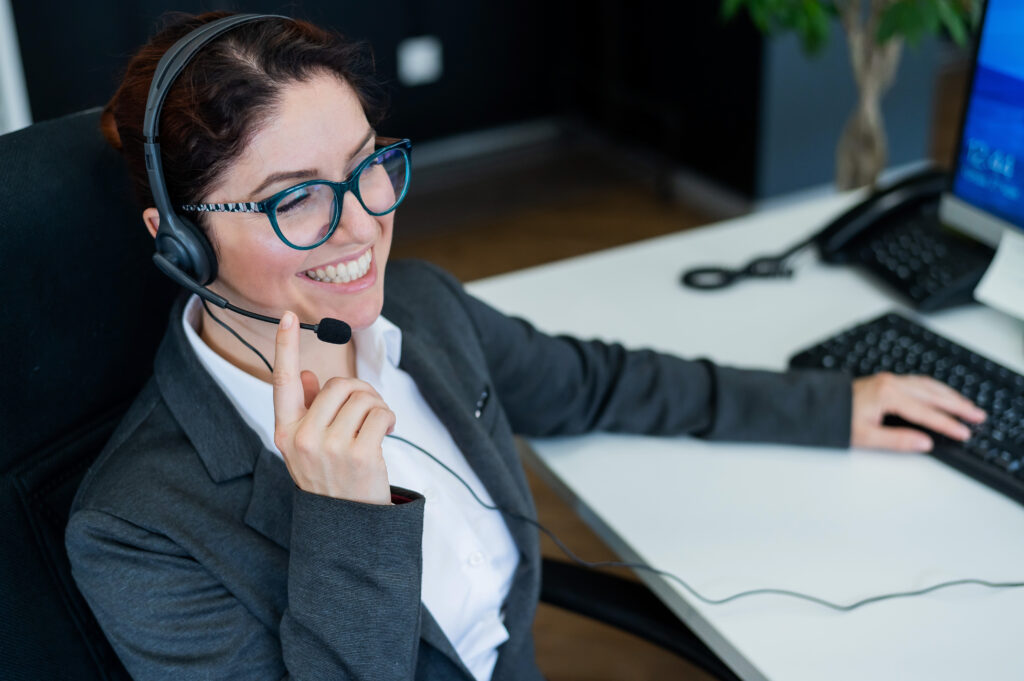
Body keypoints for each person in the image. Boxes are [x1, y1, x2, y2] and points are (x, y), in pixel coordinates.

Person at [65, 10, 987, 681]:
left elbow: (597, 383)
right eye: (292, 197)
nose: (361, 228)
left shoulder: (420, 312)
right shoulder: (137, 528)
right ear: (177, 237)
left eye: (367, 169)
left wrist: (836, 404)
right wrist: (349, 518)